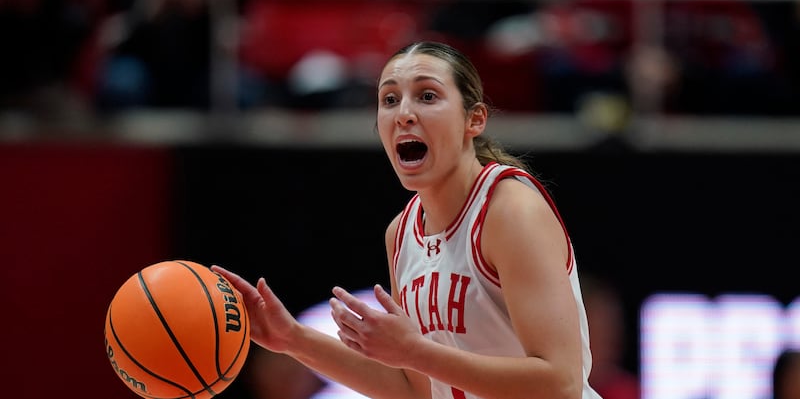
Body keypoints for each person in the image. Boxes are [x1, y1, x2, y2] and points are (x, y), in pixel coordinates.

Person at [213, 41, 603, 399]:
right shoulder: (400, 233)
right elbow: (418, 391)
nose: (404, 114)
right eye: (389, 99)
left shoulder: (510, 210)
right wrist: (294, 340)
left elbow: (561, 383)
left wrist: (416, 352)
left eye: (427, 96)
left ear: (475, 119)